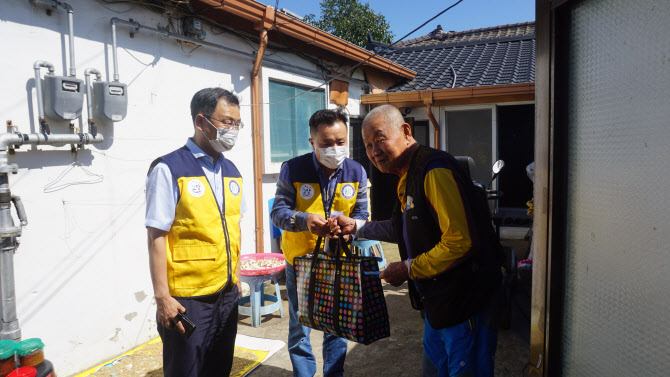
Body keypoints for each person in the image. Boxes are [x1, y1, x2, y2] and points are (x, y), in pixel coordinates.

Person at [331, 105, 503, 377]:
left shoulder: (434, 170)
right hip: (437, 302)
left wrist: (408, 268)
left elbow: (460, 242)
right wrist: (358, 226)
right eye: (367, 145)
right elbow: (406, 228)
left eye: (380, 139)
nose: (374, 151)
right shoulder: (406, 176)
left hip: (465, 299)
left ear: (406, 131)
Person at [145, 88, 245, 377]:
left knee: (219, 368)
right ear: (201, 122)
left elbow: (233, 227)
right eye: (226, 122)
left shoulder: (232, 171)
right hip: (187, 300)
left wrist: (235, 279)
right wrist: (162, 297)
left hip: (226, 293)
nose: (233, 130)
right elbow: (156, 236)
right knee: (186, 371)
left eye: (237, 123)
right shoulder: (169, 168)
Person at [270, 109, 369, 377]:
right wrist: (305, 220)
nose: (335, 149)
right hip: (300, 260)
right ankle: (304, 373)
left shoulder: (356, 171)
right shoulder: (292, 168)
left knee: (336, 324)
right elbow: (278, 212)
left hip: (338, 260)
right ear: (312, 142)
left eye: (340, 142)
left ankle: (333, 373)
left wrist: (348, 230)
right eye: (326, 144)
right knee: (300, 324)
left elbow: (362, 215)